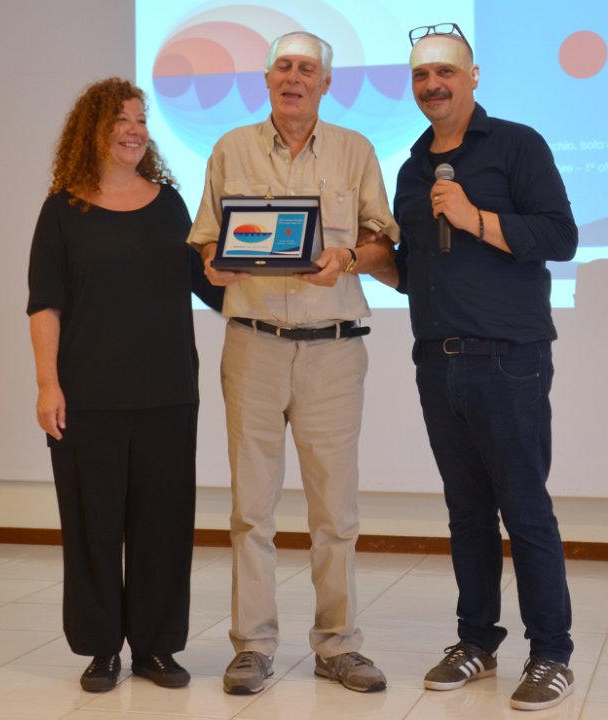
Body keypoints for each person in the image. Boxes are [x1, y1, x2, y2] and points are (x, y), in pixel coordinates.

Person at [371, 23, 577, 711]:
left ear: (472, 77)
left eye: (444, 72)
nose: (431, 85)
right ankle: (476, 642)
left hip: (509, 360)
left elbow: (560, 236)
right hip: (437, 362)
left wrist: (474, 216)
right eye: (420, 75)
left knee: (524, 509)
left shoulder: (517, 144)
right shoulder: (411, 167)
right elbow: (416, 271)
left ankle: (551, 653)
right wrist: (371, 263)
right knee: (465, 513)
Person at [187, 31, 398, 695]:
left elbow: (383, 242)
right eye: (283, 66)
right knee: (251, 509)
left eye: (307, 69)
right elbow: (206, 241)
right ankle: (252, 647)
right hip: (252, 343)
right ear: (267, 78)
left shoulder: (355, 150)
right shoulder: (230, 148)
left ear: (326, 84)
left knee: (334, 511)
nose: (294, 77)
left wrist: (348, 258)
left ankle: (338, 646)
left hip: (333, 348)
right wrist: (215, 262)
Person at [27, 77, 223, 693]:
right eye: (120, 120)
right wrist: (47, 386)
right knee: (92, 528)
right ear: (92, 131)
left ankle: (157, 648)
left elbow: (208, 283)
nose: (134, 130)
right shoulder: (63, 210)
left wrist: (257, 256)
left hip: (168, 392)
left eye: (140, 120)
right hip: (88, 398)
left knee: (164, 525)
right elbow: (45, 304)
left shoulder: (170, 203)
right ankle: (101, 649)